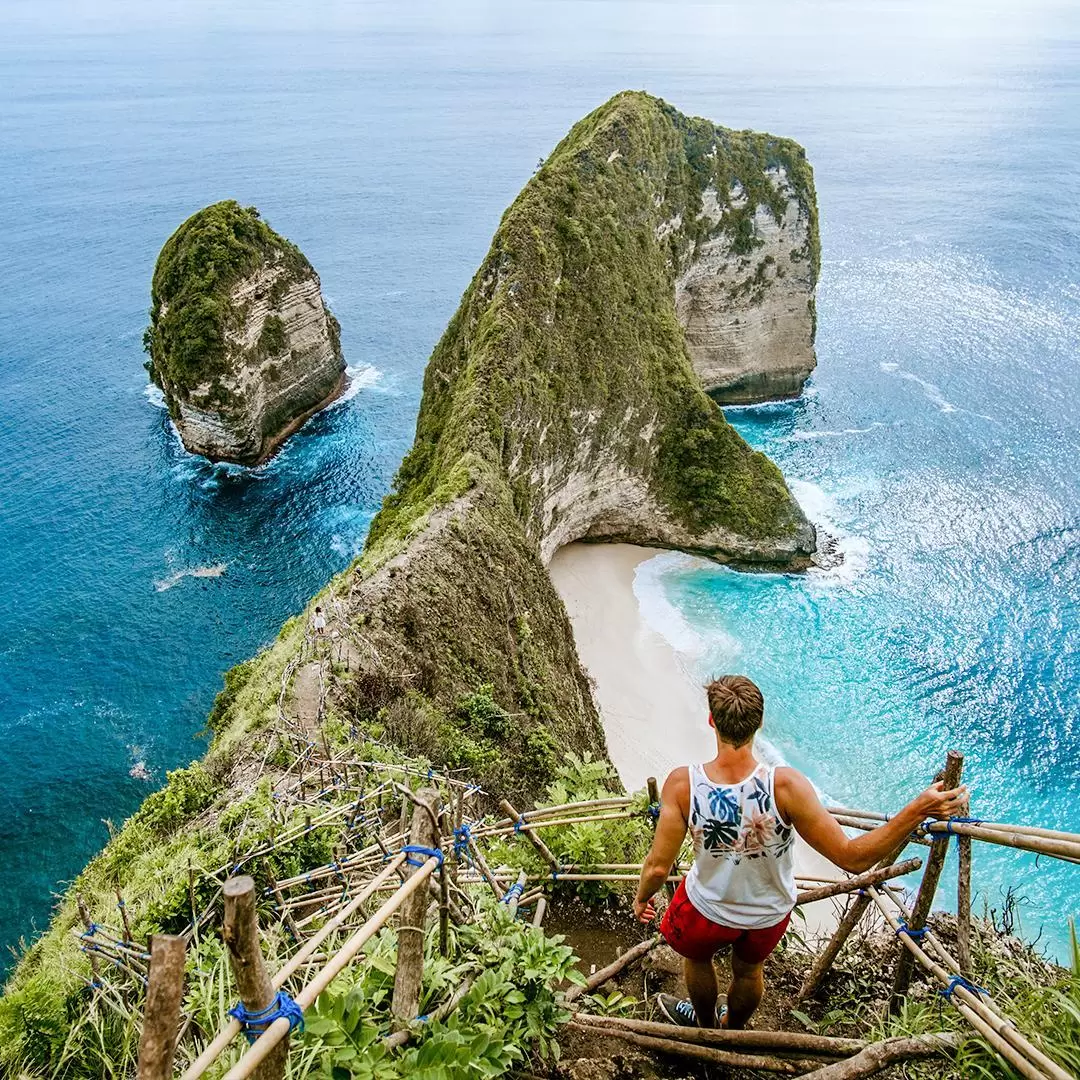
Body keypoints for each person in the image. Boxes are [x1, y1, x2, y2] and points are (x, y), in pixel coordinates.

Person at [634, 675, 967, 1030]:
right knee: (748, 972)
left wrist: (643, 899)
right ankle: (731, 1030)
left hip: (707, 906)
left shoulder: (685, 785)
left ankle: (704, 1025)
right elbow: (852, 857)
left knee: (698, 960)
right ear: (759, 724)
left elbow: (657, 868)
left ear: (712, 721)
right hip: (767, 913)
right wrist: (917, 809)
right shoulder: (786, 787)